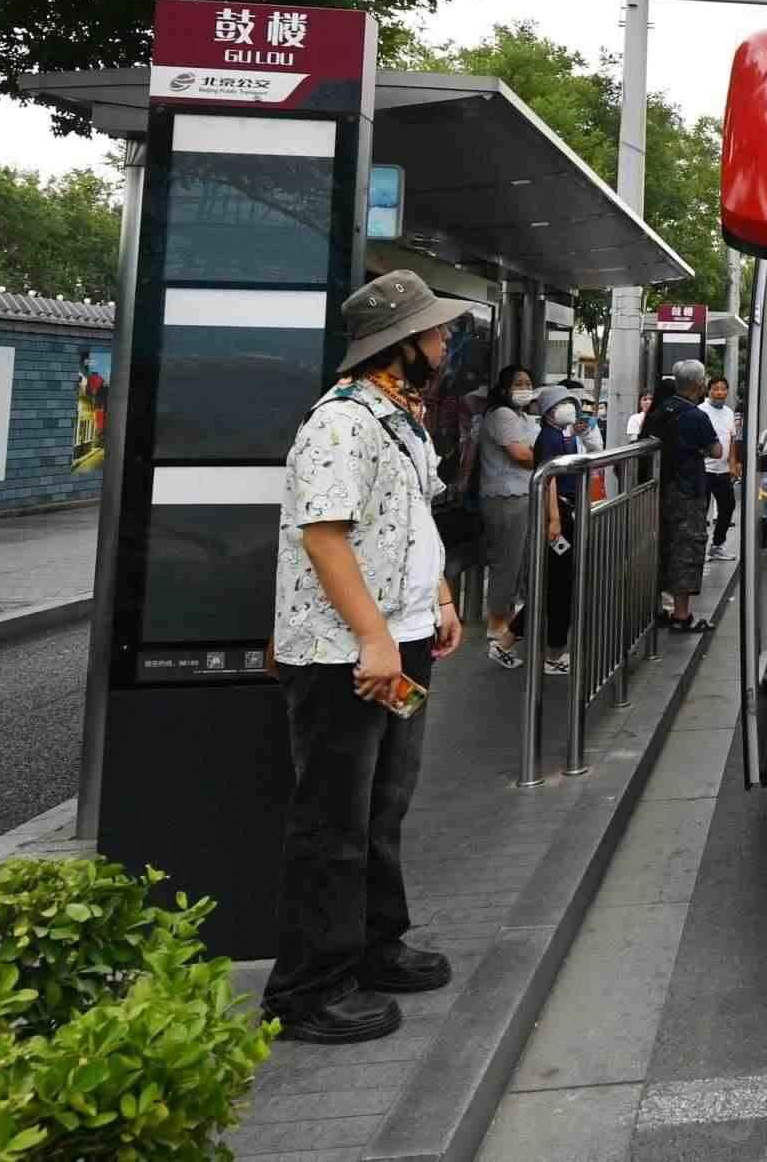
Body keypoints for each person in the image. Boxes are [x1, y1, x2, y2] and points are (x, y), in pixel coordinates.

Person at [265, 270, 471, 1045]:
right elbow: (324, 536)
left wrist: (438, 600)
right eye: (435, 332)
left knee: (384, 804)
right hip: (345, 654)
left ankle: (376, 945)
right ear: (401, 343)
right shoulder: (341, 423)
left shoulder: (401, 420)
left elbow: (412, 521)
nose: (444, 343)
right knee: (334, 819)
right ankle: (307, 989)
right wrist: (376, 638)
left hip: (401, 640)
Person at [646, 361, 724, 631]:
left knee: (661, 546)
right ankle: (681, 615)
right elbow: (717, 451)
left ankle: (657, 609)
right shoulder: (695, 416)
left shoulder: (660, 410)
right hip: (687, 490)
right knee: (686, 548)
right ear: (699, 385)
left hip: (659, 489)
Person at [477, 365, 540, 668]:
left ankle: (507, 618)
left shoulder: (523, 417)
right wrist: (549, 454)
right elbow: (522, 454)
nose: (525, 388)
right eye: (518, 383)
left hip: (522, 496)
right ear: (504, 389)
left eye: (528, 383)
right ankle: (497, 624)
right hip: (505, 498)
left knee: (518, 563)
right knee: (507, 563)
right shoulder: (501, 415)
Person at [531, 386, 582, 676]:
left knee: (556, 581)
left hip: (563, 510)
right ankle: (553, 654)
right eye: (562, 404)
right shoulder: (549, 438)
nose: (569, 408)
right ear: (549, 410)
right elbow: (548, 480)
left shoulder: (561, 436)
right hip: (558, 512)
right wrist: (554, 519)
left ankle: (508, 640)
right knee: (559, 583)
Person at [703, 377, 739, 562]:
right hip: (703, 470)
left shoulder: (729, 413)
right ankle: (699, 548)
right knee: (701, 510)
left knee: (728, 506)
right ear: (708, 391)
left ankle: (717, 545)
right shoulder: (701, 411)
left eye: (723, 389)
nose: (719, 392)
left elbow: (731, 440)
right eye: (716, 389)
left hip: (723, 470)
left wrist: (733, 463)